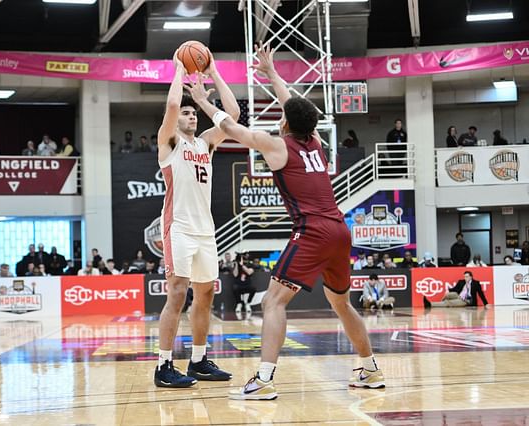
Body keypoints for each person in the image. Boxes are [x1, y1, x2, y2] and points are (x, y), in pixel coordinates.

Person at [185, 43, 384, 399]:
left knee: (272, 302)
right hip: (340, 230)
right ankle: (369, 369)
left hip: (313, 231)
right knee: (341, 302)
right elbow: (293, 104)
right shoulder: (317, 142)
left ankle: (263, 380)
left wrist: (202, 100)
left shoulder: (277, 145)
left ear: (286, 121)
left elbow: (232, 128)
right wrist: (272, 73)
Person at [153, 47, 239, 389]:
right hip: (180, 228)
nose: (190, 116)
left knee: (206, 296)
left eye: (194, 113)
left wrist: (214, 71)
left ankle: (199, 360)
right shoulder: (169, 142)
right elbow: (172, 106)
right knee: (177, 293)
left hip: (206, 230)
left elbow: (232, 114)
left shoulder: (205, 143)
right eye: (186, 113)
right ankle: (163, 366)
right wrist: (178, 69)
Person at [424, 271, 489, 308]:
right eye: (465, 276)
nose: (465, 278)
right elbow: (455, 289)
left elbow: (481, 293)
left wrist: (486, 304)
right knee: (448, 295)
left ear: (471, 277)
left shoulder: (476, 283)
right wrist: (448, 290)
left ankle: (430, 304)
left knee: (449, 302)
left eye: (467, 276)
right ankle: (441, 303)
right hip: (459, 296)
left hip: (466, 300)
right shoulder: (461, 282)